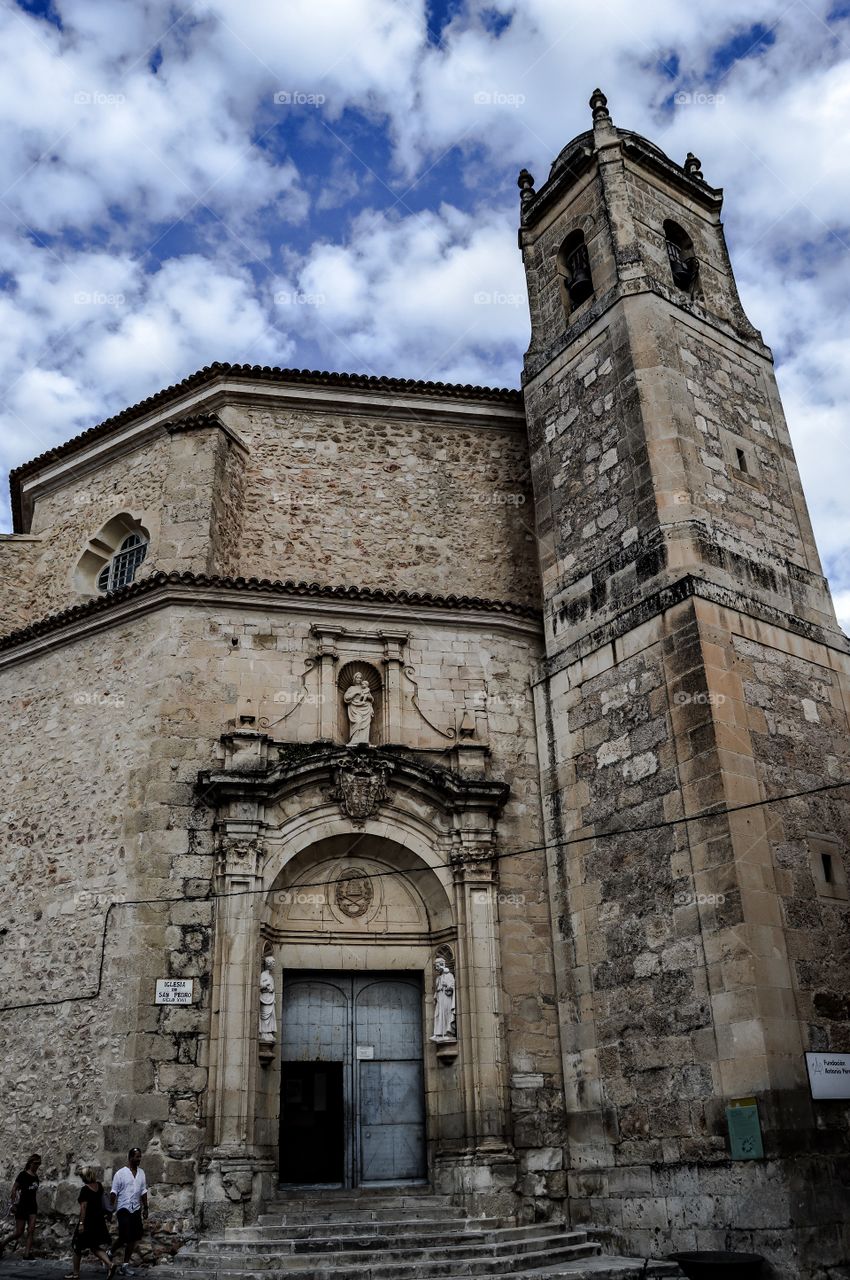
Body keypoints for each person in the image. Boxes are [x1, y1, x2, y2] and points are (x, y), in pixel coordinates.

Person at [66, 1167, 116, 1280]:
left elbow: (83, 1207)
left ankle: (75, 1273)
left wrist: (82, 1223)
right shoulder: (99, 1186)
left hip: (88, 1221)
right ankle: (110, 1264)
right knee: (94, 1246)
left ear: (84, 1177)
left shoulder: (85, 1189)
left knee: (76, 1246)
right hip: (98, 1221)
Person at [108, 1149, 148, 1276]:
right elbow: (113, 1192)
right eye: (137, 1157)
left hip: (136, 1208)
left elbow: (143, 1191)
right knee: (125, 1236)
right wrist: (110, 1209)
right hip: (123, 1208)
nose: (139, 1159)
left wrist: (146, 1208)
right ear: (130, 1157)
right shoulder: (120, 1173)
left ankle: (124, 1266)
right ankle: (110, 1252)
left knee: (133, 1238)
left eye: (140, 1157)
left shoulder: (141, 1173)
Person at [0, 1154, 41, 1258]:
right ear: (31, 1163)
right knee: (19, 1232)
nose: (38, 1166)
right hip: (22, 1205)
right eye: (36, 1163)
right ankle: (2, 1244)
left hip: (32, 1206)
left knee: (31, 1230)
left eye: (39, 1164)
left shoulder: (36, 1177)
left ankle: (27, 1254)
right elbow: (14, 1189)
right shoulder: (22, 1175)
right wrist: (12, 1204)